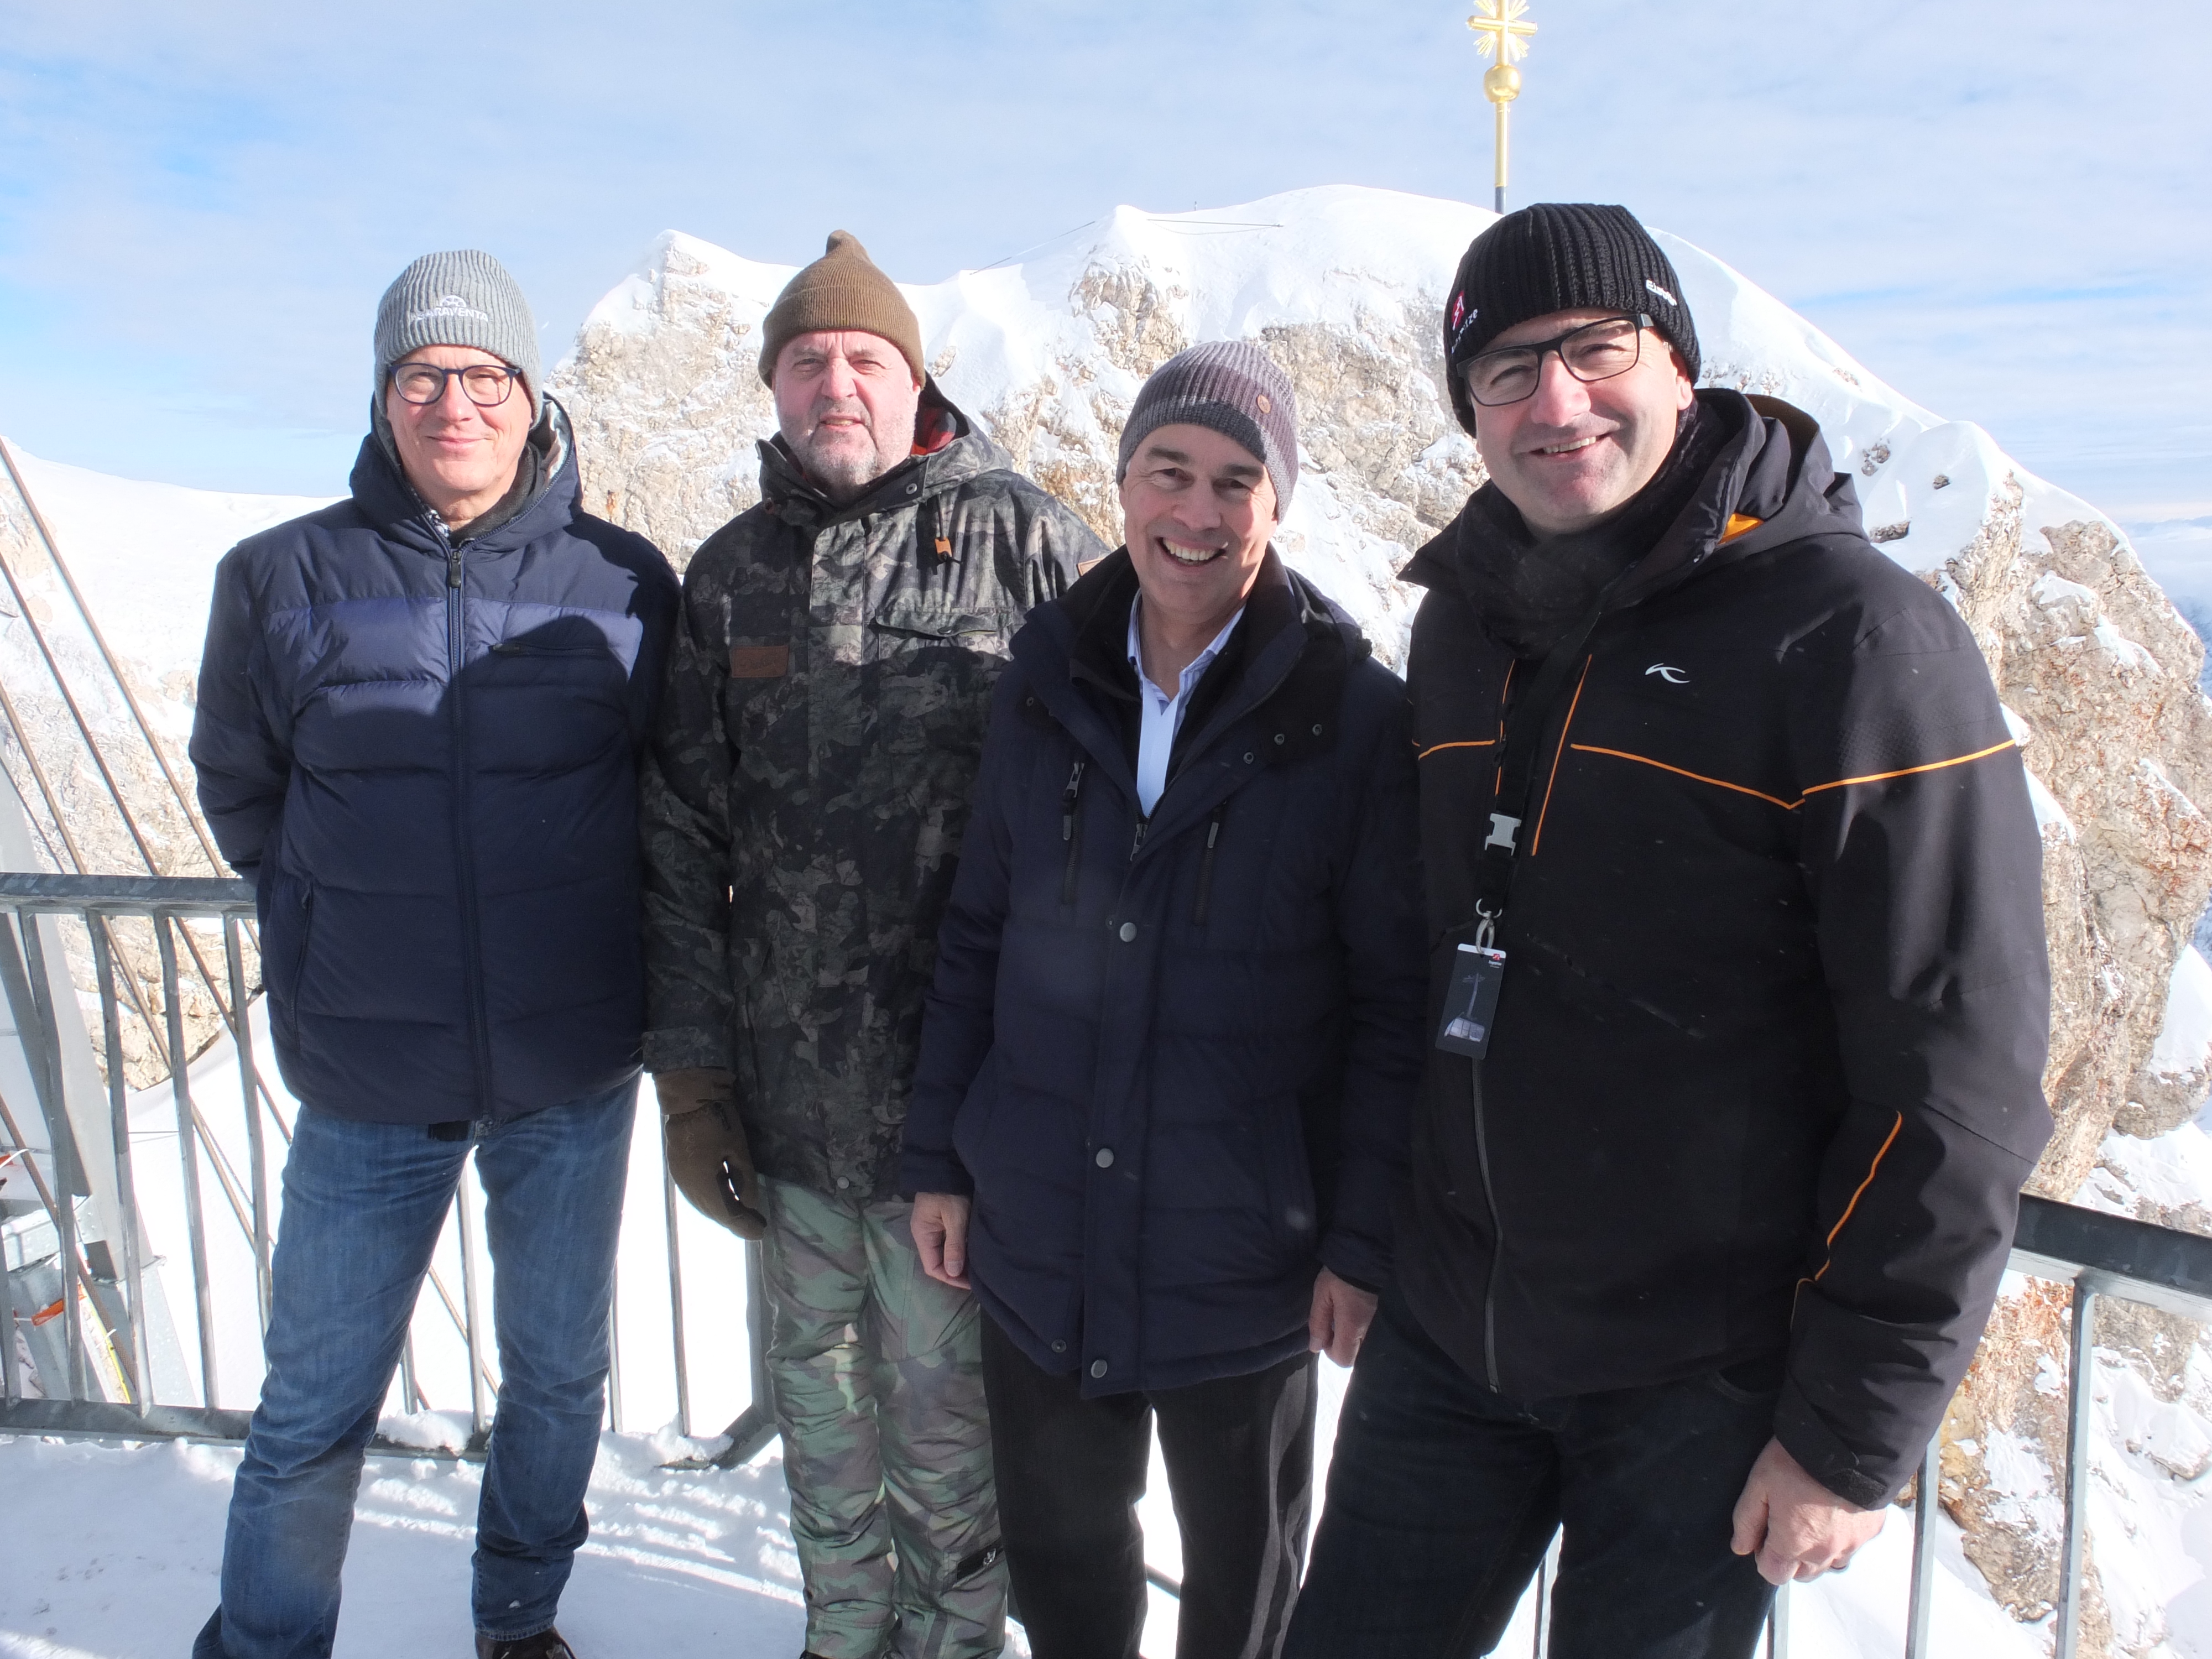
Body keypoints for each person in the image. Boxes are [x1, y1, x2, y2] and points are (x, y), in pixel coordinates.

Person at [1284, 203, 2054, 1659]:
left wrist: (1851, 1433)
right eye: (1507, 371)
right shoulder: (1462, 629)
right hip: (1455, 1335)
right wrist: (1375, 1234)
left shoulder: (1850, 639)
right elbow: (1429, 960)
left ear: (1680, 366)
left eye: (1596, 349)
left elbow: (1956, 1070)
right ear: (1468, 412)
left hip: (1704, 1382)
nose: (1557, 402)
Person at [189, 249, 680, 1659]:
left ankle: (516, 1621)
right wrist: (328, 920)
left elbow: (663, 789)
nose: (451, 402)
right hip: (366, 1068)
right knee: (314, 1401)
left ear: (529, 397)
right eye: (421, 376)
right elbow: (243, 788)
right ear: (382, 398)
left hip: (568, 1066)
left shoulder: (625, 581)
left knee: (556, 1381)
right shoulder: (279, 577)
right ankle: (269, 1643)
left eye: (482, 376)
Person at [902, 341, 1427, 1659]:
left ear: (1277, 505)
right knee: (1067, 1567)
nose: (1195, 515)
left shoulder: (1352, 720)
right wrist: (940, 1161)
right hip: (1041, 1236)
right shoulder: (1041, 680)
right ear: (1122, 481)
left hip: (1243, 1254)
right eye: (1168, 473)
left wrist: (1361, 1240)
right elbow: (976, 935)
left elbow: (1388, 1006)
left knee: (1244, 1586)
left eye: (1234, 483)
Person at [640, 229, 1105, 1659]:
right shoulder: (728, 579)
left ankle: (960, 1645)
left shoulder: (1032, 544)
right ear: (775, 388)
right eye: (807, 361)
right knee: (823, 1416)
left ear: (916, 383)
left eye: (865, 359)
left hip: (957, 1123)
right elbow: (680, 837)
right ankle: (844, 1638)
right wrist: (698, 1082)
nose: (835, 382)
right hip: (788, 1113)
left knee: (950, 1418)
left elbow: (1112, 816)